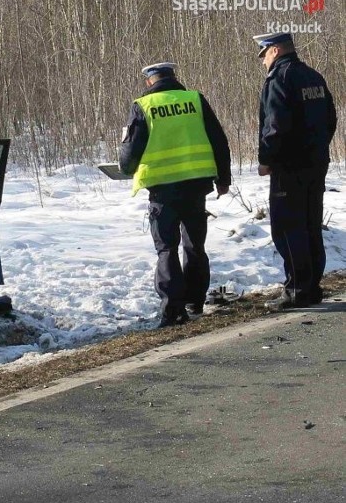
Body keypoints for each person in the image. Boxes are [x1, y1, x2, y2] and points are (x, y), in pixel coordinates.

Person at [120, 62, 231, 328]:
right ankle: (195, 301)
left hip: (162, 189)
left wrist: (126, 168)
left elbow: (130, 152)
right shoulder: (194, 100)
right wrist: (223, 180)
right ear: (173, 78)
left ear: (150, 82)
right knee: (195, 244)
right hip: (196, 185)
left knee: (166, 248)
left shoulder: (143, 106)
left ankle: (172, 310)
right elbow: (219, 139)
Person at [253, 32, 337, 310]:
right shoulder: (313, 76)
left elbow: (275, 126)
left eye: (263, 54)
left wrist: (266, 158)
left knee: (288, 227)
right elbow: (330, 119)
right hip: (316, 163)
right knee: (310, 224)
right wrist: (317, 148)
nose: (263, 61)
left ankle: (297, 289)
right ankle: (311, 286)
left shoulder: (280, 79)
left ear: (275, 51)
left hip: (288, 167)